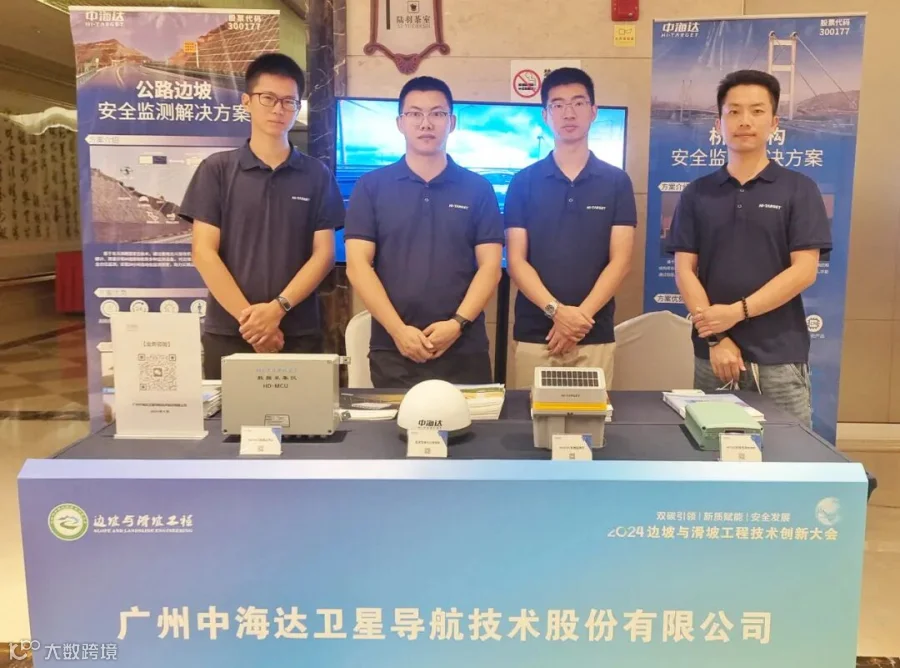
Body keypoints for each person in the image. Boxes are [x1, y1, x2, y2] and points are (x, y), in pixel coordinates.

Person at [668, 69, 831, 426]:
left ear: (774, 123)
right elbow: (684, 271)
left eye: (757, 111)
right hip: (714, 356)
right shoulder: (697, 192)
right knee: (714, 450)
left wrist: (736, 312)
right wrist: (717, 338)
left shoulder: (799, 188)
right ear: (719, 123)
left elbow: (804, 271)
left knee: (789, 453)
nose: (745, 121)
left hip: (780, 358)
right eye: (734, 111)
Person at [180, 53, 344, 379]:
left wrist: (276, 310)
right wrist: (254, 324)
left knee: (302, 413)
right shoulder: (217, 170)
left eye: (288, 101)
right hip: (230, 331)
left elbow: (324, 254)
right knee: (227, 414)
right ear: (247, 102)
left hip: (298, 331)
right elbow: (203, 252)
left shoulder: (316, 175)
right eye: (268, 98)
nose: (278, 109)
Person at [344, 76, 504, 388]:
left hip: (464, 349)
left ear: (452, 122)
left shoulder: (478, 188)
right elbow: (358, 265)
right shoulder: (371, 187)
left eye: (437, 113)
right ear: (400, 123)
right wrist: (398, 330)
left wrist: (457, 324)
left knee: (468, 422)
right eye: (415, 113)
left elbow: (490, 267)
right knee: (397, 422)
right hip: (394, 349)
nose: (426, 123)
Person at [505, 67, 637, 389]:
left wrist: (578, 320)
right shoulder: (523, 182)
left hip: (593, 333)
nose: (569, 113)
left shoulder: (616, 182)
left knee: (592, 420)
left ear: (594, 111)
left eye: (578, 103)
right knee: (531, 419)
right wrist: (557, 313)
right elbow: (516, 261)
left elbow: (621, 261)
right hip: (536, 334)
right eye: (558, 104)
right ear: (545, 115)